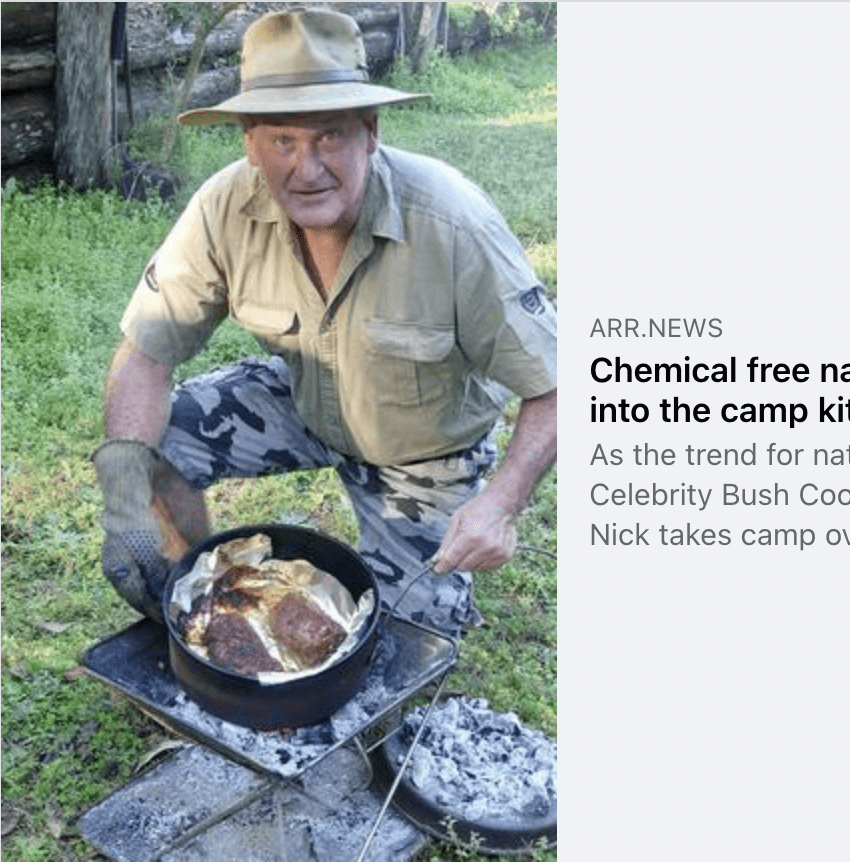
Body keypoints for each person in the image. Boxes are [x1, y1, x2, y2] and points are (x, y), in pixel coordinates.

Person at [93, 8, 557, 637]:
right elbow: (146, 354)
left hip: (425, 450)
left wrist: (500, 505)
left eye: (330, 137)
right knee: (153, 448)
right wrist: (126, 498)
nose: (306, 169)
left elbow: (558, 389)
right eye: (282, 141)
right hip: (307, 400)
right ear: (249, 142)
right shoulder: (222, 208)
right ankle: (203, 608)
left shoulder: (452, 224)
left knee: (404, 643)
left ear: (371, 131)